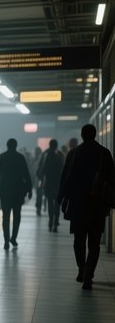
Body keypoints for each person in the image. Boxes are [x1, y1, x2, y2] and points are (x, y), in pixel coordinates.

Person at [57, 124, 115, 290]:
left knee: (79, 240)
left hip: (78, 205)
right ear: (95, 135)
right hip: (97, 205)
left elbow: (66, 178)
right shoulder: (104, 153)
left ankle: (81, 268)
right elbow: (112, 179)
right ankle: (89, 274)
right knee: (94, 243)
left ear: (82, 135)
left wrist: (61, 198)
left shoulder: (74, 153)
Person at [0, 139, 32, 249]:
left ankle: (6, 240)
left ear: (7, 145)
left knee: (5, 217)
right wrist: (29, 189)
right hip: (18, 192)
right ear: (16, 146)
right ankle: (13, 238)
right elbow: (26, 175)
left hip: (5, 192)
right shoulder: (20, 157)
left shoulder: (2, 157)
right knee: (17, 216)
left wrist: (1, 182)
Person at [38, 139, 64, 231]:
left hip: (48, 182)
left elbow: (41, 168)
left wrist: (41, 179)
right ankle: (56, 222)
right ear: (56, 146)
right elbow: (64, 169)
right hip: (58, 183)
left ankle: (51, 220)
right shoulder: (60, 155)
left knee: (50, 203)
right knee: (57, 203)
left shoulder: (45, 154)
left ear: (49, 145)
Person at [32, 146, 44, 215]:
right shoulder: (35, 160)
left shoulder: (39, 160)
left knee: (39, 193)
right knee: (38, 193)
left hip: (39, 179)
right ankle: (38, 206)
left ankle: (38, 206)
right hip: (37, 179)